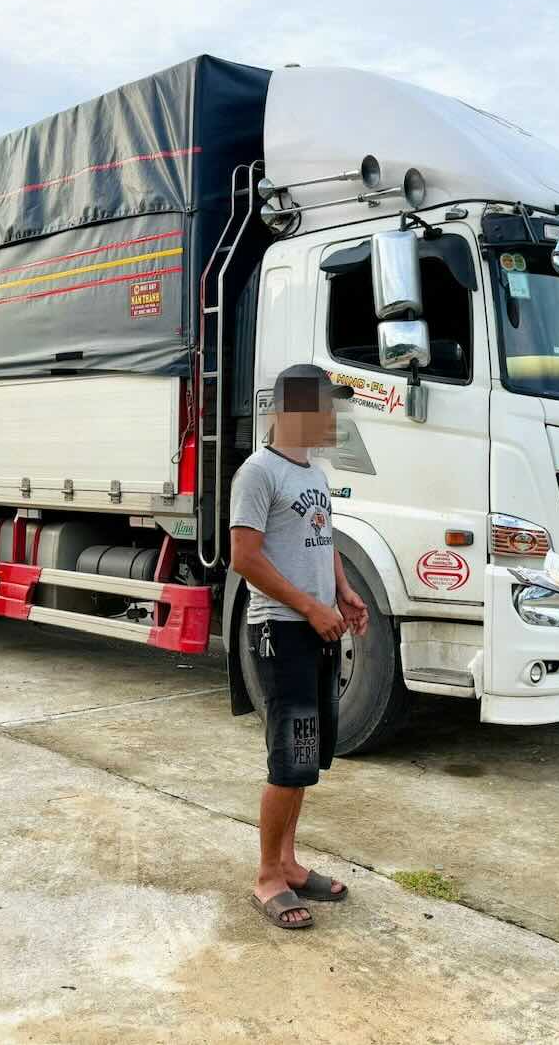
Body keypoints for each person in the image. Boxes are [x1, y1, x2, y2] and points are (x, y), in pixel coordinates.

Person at [230, 364, 370, 930]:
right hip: (280, 631)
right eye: (326, 408)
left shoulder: (311, 472)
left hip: (318, 628)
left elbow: (322, 538)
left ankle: (289, 863)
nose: (334, 419)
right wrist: (309, 607)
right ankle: (267, 874)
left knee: (308, 754)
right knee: (288, 757)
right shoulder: (258, 473)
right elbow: (245, 557)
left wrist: (343, 591)